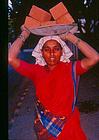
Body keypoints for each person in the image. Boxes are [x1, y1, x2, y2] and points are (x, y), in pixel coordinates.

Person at [8, 24, 99, 140]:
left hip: (70, 127)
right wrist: (24, 34)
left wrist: (70, 37)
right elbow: (10, 58)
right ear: (41, 52)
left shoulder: (71, 68)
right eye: (47, 49)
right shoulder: (35, 70)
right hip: (46, 127)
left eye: (56, 49)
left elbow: (94, 57)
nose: (51, 53)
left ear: (62, 51)